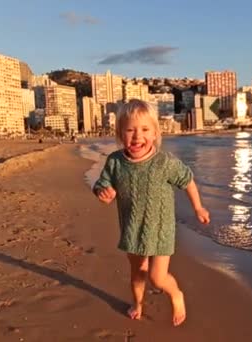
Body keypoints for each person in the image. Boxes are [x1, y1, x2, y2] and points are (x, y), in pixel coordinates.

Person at [93, 99, 210, 327]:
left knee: (157, 277)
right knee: (137, 272)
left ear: (155, 133)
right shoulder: (115, 162)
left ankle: (176, 294)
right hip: (131, 228)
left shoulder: (164, 162)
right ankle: (137, 303)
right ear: (120, 133)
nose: (137, 136)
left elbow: (188, 181)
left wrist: (198, 207)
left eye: (145, 129)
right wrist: (102, 192)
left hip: (161, 230)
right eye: (130, 130)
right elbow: (103, 183)